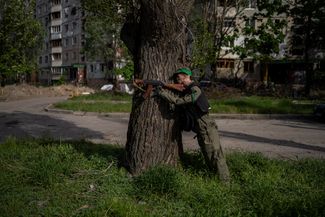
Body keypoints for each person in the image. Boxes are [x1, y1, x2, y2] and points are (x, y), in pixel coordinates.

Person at [156, 67, 230, 183]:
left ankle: (225, 183)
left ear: (186, 76)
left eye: (179, 77)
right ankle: (216, 179)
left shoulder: (195, 89)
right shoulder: (188, 90)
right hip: (201, 127)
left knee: (215, 154)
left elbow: (178, 101)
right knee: (208, 154)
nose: (177, 79)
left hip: (206, 126)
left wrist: (161, 92)